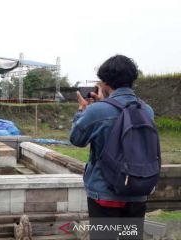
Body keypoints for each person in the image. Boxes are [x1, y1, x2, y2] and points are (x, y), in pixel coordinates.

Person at [70, 55, 155, 240]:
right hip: (137, 191)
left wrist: (82, 110)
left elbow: (76, 139)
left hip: (105, 193)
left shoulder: (97, 110)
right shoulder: (147, 110)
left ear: (106, 83)